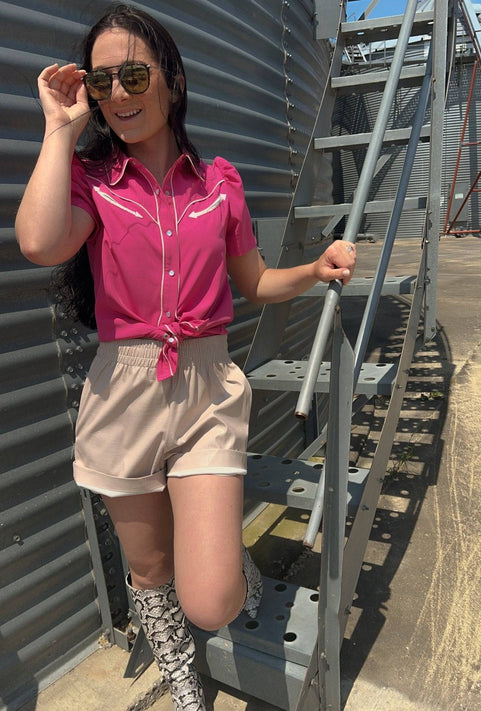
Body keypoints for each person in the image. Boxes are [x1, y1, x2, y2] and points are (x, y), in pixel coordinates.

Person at [15, 4, 356, 710]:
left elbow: (254, 282)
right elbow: (41, 243)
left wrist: (314, 269)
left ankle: (233, 568)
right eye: (101, 81)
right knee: (150, 568)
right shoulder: (92, 182)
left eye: (134, 75)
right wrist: (59, 128)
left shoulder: (219, 182)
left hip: (205, 389)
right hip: (124, 393)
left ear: (172, 79)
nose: (117, 93)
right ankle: (183, 680)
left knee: (211, 598)